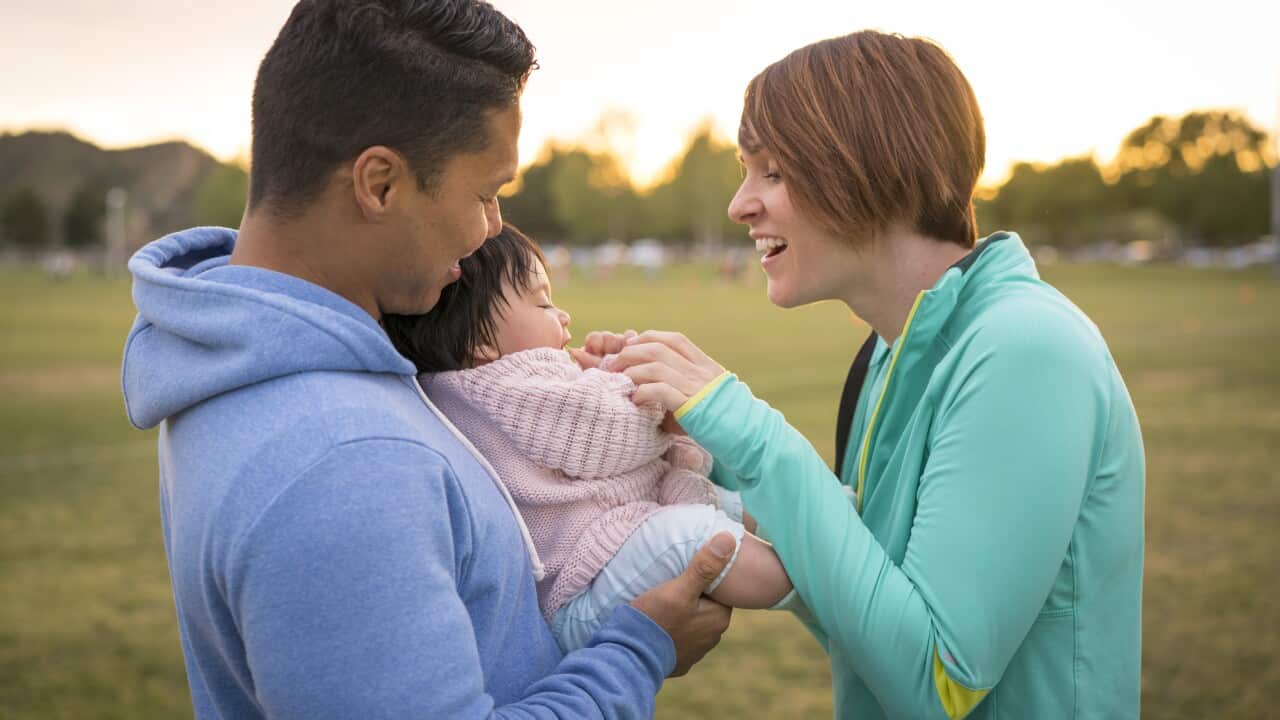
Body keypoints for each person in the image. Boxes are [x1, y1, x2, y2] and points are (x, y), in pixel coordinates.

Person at [120, 2, 733, 718]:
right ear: (379, 184)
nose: (493, 228)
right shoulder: (342, 459)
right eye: (486, 194)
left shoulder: (242, 353)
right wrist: (637, 649)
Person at [596, 30, 1146, 719]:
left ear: (870, 166)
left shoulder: (1025, 349)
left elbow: (936, 683)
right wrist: (706, 450)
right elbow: (867, 624)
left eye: (771, 171)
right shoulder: (890, 352)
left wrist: (751, 429)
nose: (740, 205)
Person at [384, 224, 797, 653]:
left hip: (607, 561)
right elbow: (612, 430)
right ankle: (816, 585)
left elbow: (589, 425)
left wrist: (605, 371)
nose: (562, 316)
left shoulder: (481, 387)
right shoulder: (504, 385)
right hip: (583, 585)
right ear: (483, 339)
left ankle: (831, 519)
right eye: (542, 302)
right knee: (691, 535)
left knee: (726, 504)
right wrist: (641, 381)